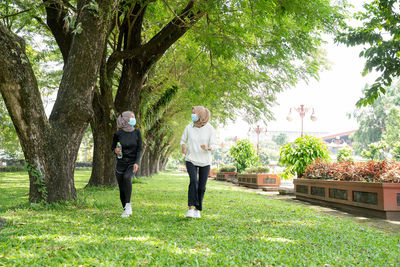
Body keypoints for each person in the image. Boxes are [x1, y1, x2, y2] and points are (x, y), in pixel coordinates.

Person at [180, 106, 217, 218]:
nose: (192, 115)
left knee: (202, 187)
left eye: (194, 113)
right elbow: (183, 140)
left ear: (201, 115)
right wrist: (183, 146)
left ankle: (197, 209)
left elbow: (214, 145)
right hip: (191, 159)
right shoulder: (189, 127)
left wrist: (208, 148)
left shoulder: (210, 128)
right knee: (193, 182)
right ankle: (190, 208)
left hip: (205, 161)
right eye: (192, 113)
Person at [112, 111, 142, 218]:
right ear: (125, 119)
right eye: (132, 117)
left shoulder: (137, 133)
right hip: (121, 163)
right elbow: (113, 147)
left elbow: (139, 149)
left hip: (132, 163)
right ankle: (125, 209)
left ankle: (128, 205)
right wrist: (115, 150)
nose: (134, 119)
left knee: (127, 178)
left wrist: (137, 162)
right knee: (121, 187)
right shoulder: (118, 134)